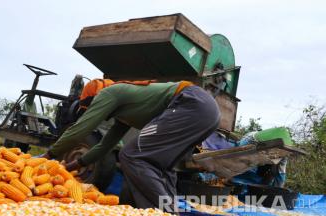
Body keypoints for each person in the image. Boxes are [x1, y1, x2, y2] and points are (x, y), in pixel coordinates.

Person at [47, 80, 221, 209]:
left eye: (90, 107)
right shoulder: (125, 111)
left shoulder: (109, 92)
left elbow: (81, 129)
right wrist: (73, 166)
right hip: (208, 113)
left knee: (131, 155)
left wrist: (48, 156)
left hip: (190, 102)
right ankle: (170, 215)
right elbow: (105, 146)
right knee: (161, 166)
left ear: (95, 97)